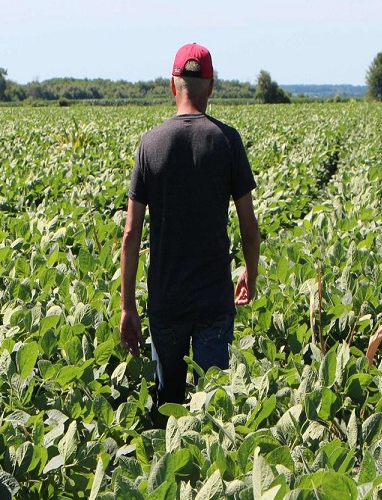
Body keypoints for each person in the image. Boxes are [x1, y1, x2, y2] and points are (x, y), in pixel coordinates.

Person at [120, 43, 261, 408]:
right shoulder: (228, 141)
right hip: (214, 300)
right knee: (213, 413)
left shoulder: (150, 145)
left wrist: (127, 307)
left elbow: (131, 233)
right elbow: (249, 227)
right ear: (211, 87)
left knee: (169, 410)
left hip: (166, 302)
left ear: (172, 86)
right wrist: (250, 272)